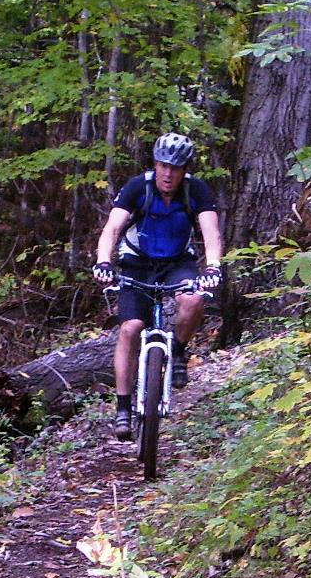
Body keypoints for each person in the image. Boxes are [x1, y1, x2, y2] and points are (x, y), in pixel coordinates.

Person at [92, 132, 224, 440]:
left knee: (193, 300)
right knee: (130, 328)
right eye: (164, 166)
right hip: (137, 262)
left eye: (176, 168)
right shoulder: (140, 187)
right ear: (156, 164)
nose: (169, 173)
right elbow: (112, 228)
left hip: (178, 262)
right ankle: (123, 408)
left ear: (185, 169)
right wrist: (103, 261)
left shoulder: (197, 191)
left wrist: (214, 267)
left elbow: (211, 234)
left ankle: (177, 352)